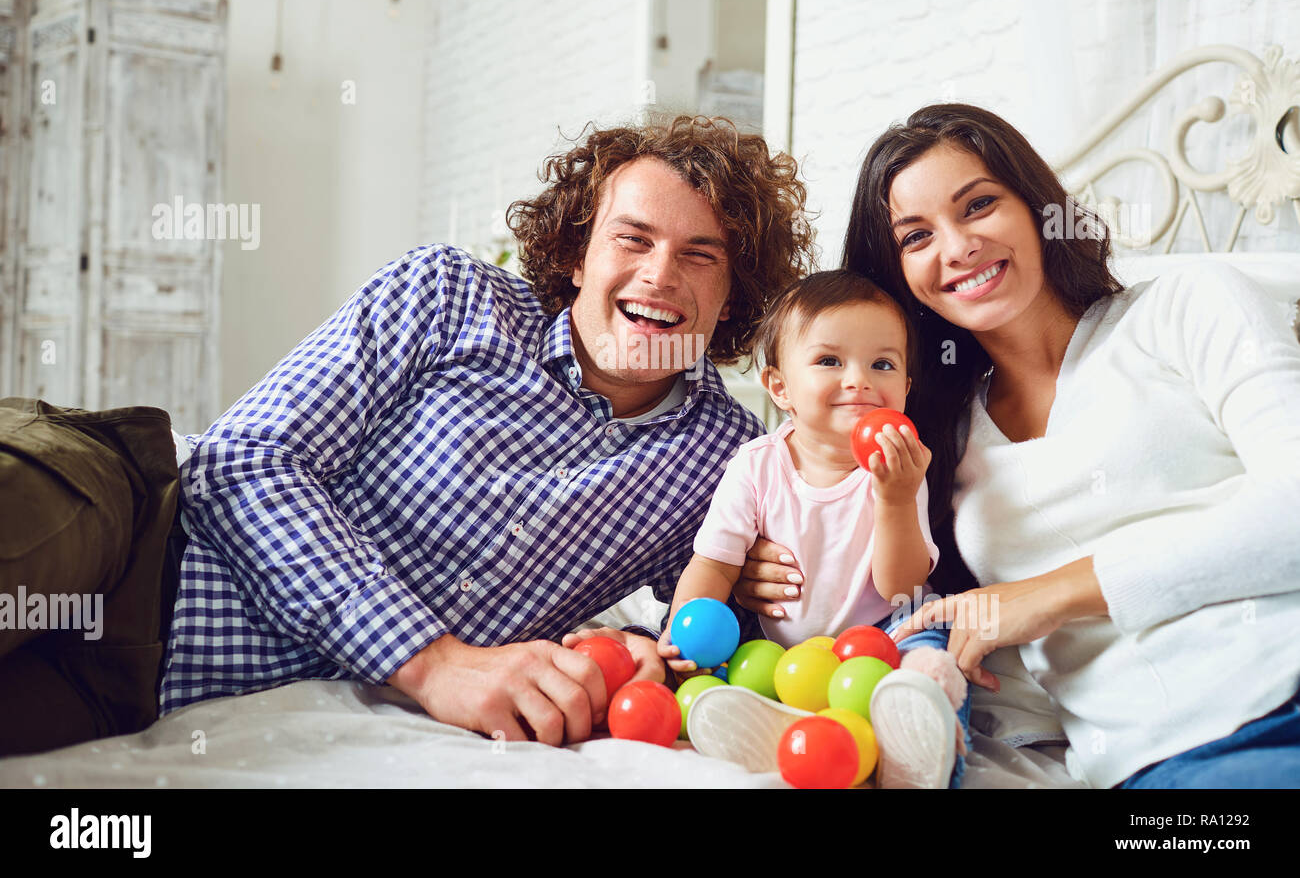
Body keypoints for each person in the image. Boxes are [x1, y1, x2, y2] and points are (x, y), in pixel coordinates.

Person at [143, 116, 814, 748]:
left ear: (735, 295)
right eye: (631, 238)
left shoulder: (727, 458)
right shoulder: (446, 296)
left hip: (167, 709)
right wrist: (431, 663)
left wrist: (646, 654)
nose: (659, 275)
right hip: (142, 553)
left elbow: (718, 647)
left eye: (701, 256)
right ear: (578, 253)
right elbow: (240, 460)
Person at [735, 103, 1300, 788]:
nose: (957, 246)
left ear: (1037, 208)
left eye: (978, 206)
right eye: (916, 237)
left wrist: (1050, 594)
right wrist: (758, 562)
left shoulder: (1187, 307)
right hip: (1158, 763)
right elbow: (902, 590)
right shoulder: (934, 435)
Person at [656, 270, 972, 787]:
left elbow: (903, 590)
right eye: (830, 361)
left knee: (932, 648)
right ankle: (776, 721)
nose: (859, 380)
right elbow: (713, 564)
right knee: (728, 665)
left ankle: (920, 744)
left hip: (886, 636)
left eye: (883, 364)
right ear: (779, 387)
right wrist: (683, 631)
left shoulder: (899, 467)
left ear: (906, 389)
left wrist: (893, 498)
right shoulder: (754, 466)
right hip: (787, 654)